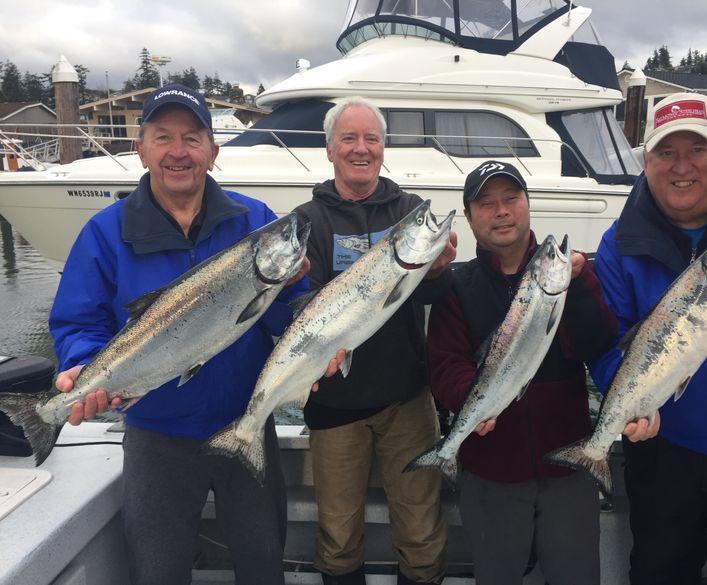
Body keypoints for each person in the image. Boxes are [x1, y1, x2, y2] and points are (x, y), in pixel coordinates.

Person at [49, 84, 318, 585]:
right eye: (163, 136)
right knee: (158, 571)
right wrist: (86, 366)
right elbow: (80, 323)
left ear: (213, 153)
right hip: (157, 437)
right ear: (141, 148)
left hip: (245, 426)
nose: (178, 152)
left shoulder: (255, 221)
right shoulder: (105, 233)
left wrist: (296, 291)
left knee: (264, 567)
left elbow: (284, 319)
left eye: (192, 138)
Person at [588, 92, 707, 584]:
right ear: (646, 161)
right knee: (660, 573)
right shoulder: (618, 244)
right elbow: (606, 347)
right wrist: (631, 405)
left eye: (697, 148)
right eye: (666, 153)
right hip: (664, 448)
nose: (681, 167)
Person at [426, 160, 616, 585]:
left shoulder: (575, 277)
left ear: (528, 205)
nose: (501, 211)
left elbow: (598, 343)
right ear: (469, 217)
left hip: (567, 462)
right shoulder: (457, 287)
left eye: (511, 199)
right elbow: (444, 365)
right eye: (487, 204)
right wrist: (470, 401)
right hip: (490, 468)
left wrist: (581, 291)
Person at [292, 96, 456, 585]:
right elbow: (303, 307)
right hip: (333, 405)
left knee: (422, 533)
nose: (361, 148)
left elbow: (437, 296)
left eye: (372, 139)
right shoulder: (307, 220)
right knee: (338, 538)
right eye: (349, 138)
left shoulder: (411, 212)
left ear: (384, 149)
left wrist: (437, 271)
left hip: (407, 399)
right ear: (329, 150)